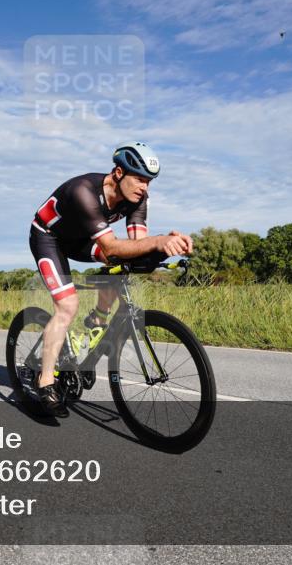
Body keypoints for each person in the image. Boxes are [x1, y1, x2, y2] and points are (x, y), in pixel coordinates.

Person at [29, 142, 193, 416]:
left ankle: (97, 320)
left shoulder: (138, 199)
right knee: (67, 306)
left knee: (125, 264)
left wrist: (164, 246)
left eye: (149, 182)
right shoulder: (84, 192)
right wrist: (157, 242)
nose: (145, 187)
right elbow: (112, 248)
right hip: (49, 237)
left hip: (83, 239)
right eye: (140, 179)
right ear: (118, 173)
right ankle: (45, 380)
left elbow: (138, 245)